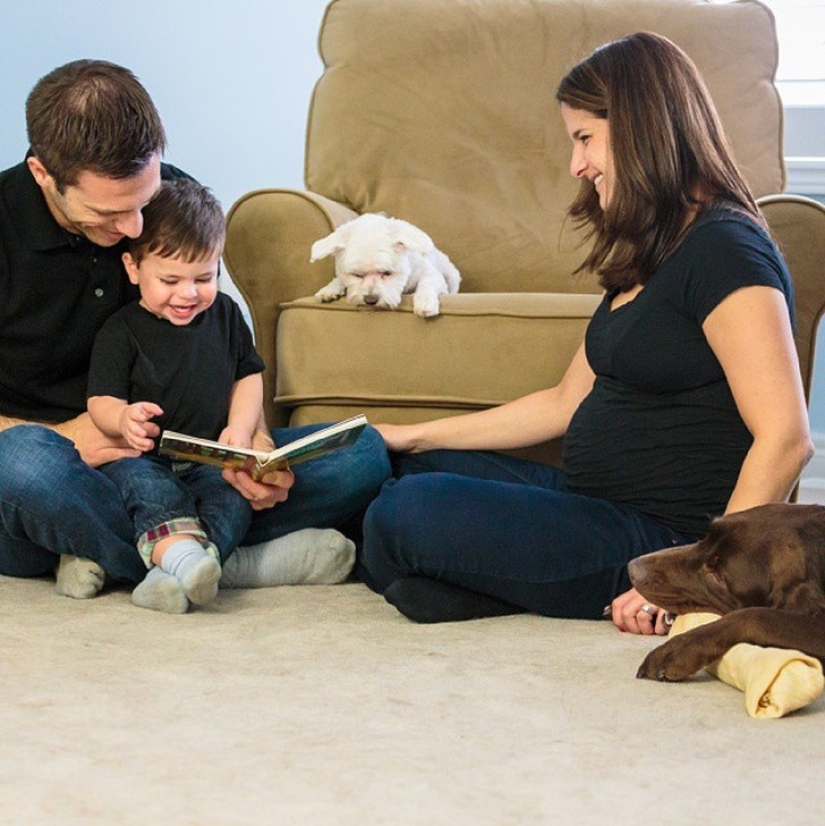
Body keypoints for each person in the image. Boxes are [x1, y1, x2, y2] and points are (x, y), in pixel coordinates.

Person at [358, 32, 813, 631]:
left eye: (584, 139)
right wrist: (409, 436)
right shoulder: (654, 248)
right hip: (586, 501)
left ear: (640, 127)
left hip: (658, 537)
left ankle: (470, 580)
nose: (576, 165)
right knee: (396, 467)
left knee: (404, 514)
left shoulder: (727, 249)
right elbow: (564, 401)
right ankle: (488, 587)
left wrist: (689, 582)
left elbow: (785, 437)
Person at [0, 59, 389, 601]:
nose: (135, 228)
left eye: (144, 199)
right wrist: (71, 439)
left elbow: (223, 346)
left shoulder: (174, 200)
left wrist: (253, 447)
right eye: (109, 213)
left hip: (190, 459)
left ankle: (153, 556)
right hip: (69, 471)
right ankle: (232, 562)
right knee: (20, 465)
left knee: (361, 452)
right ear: (44, 174)